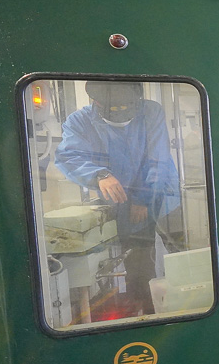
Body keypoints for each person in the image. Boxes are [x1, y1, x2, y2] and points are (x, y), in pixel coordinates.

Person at [55, 81, 180, 316]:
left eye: (127, 107)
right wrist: (99, 175)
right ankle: (141, 310)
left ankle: (160, 309)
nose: (121, 113)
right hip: (118, 200)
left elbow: (157, 158)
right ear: (96, 103)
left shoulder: (150, 112)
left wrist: (142, 198)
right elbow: (68, 156)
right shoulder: (79, 121)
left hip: (156, 193)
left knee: (169, 254)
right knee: (135, 257)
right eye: (114, 109)